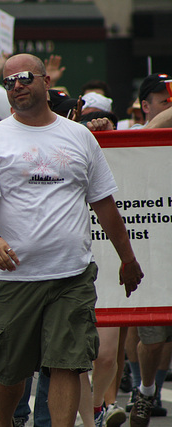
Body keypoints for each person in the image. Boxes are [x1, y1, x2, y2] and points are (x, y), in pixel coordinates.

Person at [0, 54, 144, 427]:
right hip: (16, 276)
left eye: (25, 77)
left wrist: (128, 258)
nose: (17, 85)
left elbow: (104, 203)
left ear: (47, 82)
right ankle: (5, 421)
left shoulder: (78, 136)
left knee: (67, 361)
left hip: (71, 276)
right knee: (10, 369)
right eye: (9, 82)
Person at [127, 72, 172, 427]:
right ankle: (144, 390)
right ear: (145, 106)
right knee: (153, 339)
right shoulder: (137, 140)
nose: (169, 105)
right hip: (155, 257)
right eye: (164, 100)